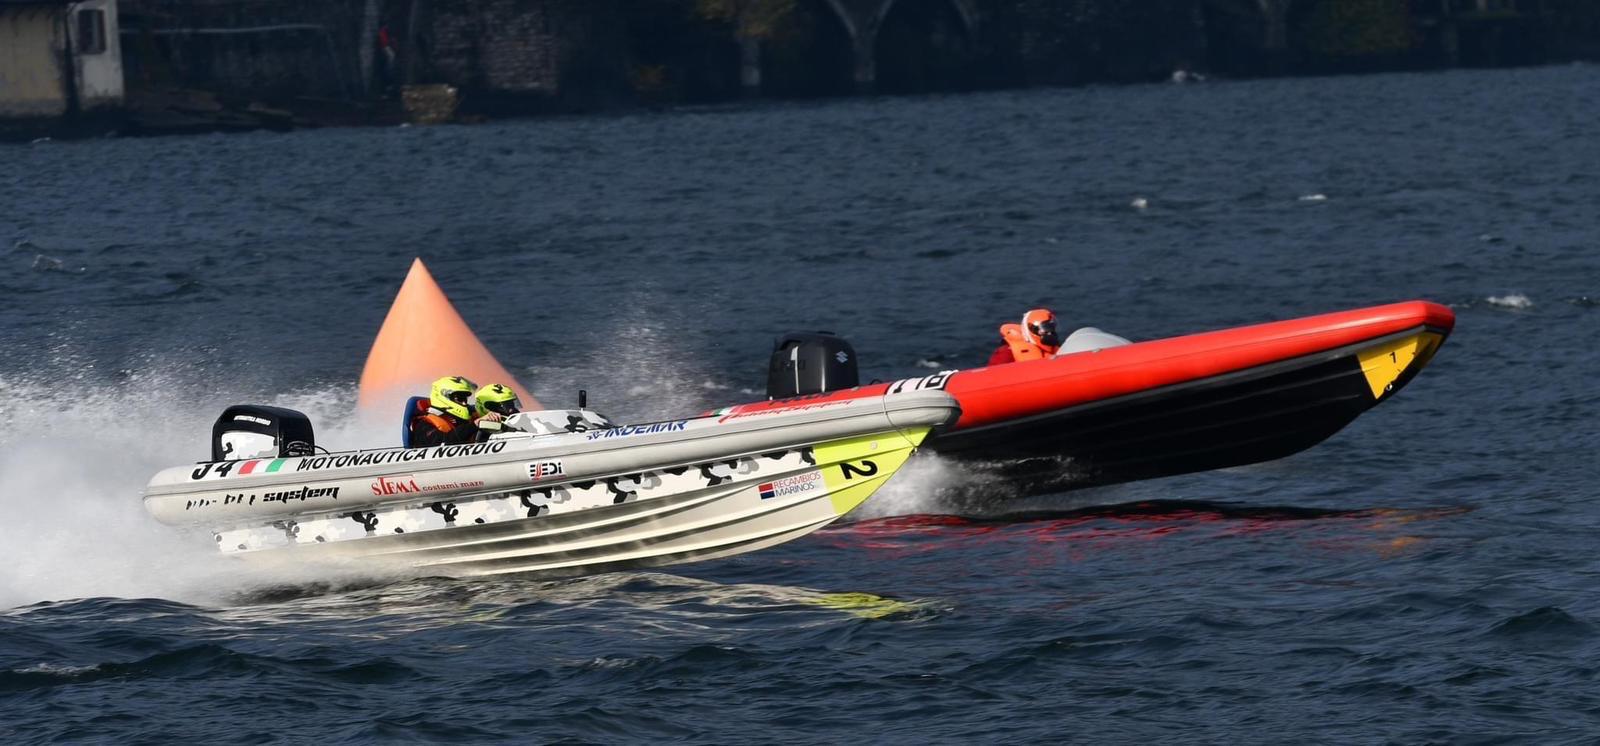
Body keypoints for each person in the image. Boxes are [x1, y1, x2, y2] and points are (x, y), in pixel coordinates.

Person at [409, 375, 479, 447]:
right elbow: (442, 442)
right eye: (459, 399)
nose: (464, 403)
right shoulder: (424, 424)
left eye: (465, 399)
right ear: (443, 397)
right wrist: (474, 425)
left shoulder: (463, 419)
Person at [987, 308, 1063, 366]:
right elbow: (993, 376)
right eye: (1046, 329)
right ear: (1033, 330)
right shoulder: (1006, 352)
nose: (1050, 333)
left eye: (1052, 328)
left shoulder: (1056, 348)